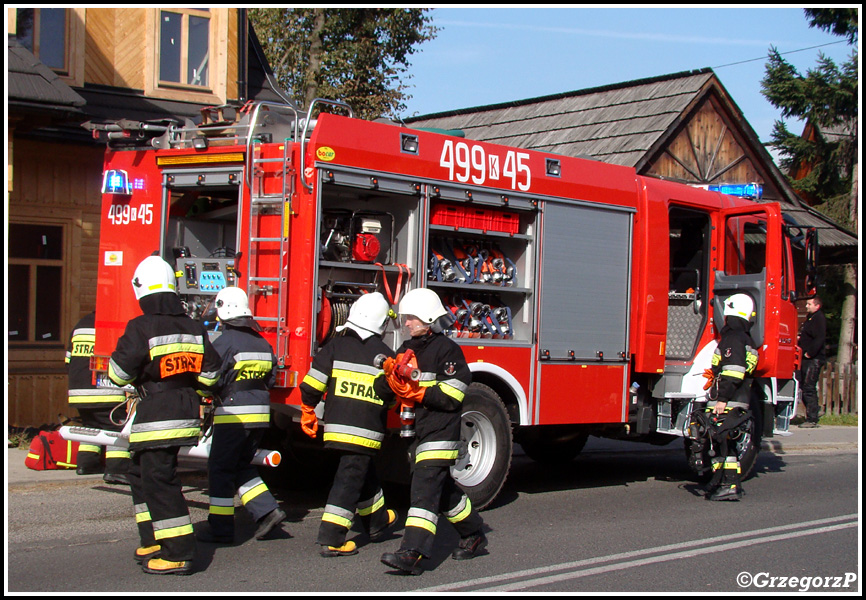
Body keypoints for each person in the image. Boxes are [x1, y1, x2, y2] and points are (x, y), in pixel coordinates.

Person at [108, 255, 222, 576]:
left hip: (157, 413)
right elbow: (212, 376)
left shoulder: (141, 327)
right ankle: (154, 539)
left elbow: (118, 374)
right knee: (139, 473)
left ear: (142, 291)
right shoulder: (194, 327)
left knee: (160, 479)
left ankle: (178, 551)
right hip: (185, 411)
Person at [378, 288, 487, 576]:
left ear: (428, 318)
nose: (407, 323)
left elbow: (453, 395)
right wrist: (388, 380)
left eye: (412, 318)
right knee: (442, 492)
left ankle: (412, 553)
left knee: (424, 489)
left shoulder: (447, 351)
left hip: (441, 430)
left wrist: (416, 392)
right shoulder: (405, 349)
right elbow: (387, 391)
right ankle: (474, 532)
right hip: (416, 430)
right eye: (406, 318)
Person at [299, 292, 399, 558]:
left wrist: (308, 409)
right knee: (349, 480)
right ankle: (332, 537)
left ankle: (376, 520)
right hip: (367, 433)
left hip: (335, 429)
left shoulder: (334, 347)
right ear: (382, 324)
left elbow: (312, 385)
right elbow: (390, 402)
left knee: (360, 472)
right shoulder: (387, 357)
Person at [197, 287, 286, 545]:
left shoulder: (224, 342)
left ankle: (221, 529)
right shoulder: (262, 342)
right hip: (260, 414)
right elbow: (271, 377)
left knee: (220, 468)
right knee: (240, 465)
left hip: (233, 415)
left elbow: (209, 379)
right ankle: (268, 512)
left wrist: (200, 390)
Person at [701, 293, 759, 501]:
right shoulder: (746, 338)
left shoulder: (732, 339)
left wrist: (721, 400)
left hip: (729, 400)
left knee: (719, 443)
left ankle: (725, 484)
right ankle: (728, 484)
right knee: (728, 444)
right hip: (739, 398)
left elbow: (733, 372)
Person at [66, 311, 131, 484]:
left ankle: (86, 465)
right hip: (103, 388)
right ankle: (117, 469)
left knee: (91, 426)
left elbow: (68, 360)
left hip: (77, 389)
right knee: (116, 426)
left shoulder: (80, 325)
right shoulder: (111, 325)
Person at [797, 296, 827, 428]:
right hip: (806, 357)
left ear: (817, 306)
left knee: (809, 387)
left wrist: (810, 352)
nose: (807, 306)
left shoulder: (818, 318)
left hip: (813, 358)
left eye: (809, 304)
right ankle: (812, 412)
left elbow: (819, 337)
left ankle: (812, 418)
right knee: (804, 386)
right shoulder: (810, 319)